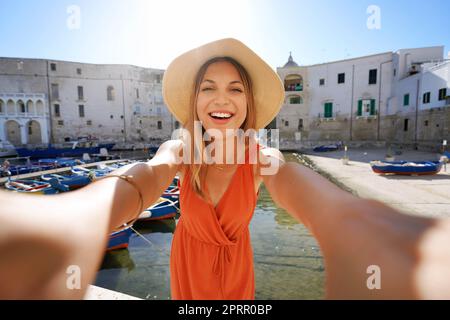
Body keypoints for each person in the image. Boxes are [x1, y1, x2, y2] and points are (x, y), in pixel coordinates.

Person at [1, 38, 450, 300]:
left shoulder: (259, 155)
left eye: (235, 89)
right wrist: (81, 216)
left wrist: (355, 223)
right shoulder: (179, 148)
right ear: (194, 101)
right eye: (208, 88)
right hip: (189, 264)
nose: (221, 99)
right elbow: (148, 176)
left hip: (236, 268)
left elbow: (293, 180)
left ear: (249, 103)